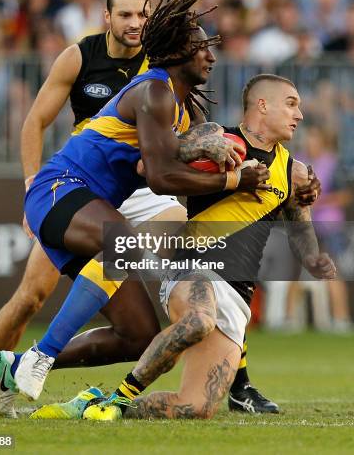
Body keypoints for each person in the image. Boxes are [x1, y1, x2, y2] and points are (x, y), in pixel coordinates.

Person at [0, 0, 271, 409]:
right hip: (60, 189)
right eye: (201, 48)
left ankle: (14, 365)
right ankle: (38, 358)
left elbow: (151, 166)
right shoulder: (154, 91)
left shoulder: (174, 108)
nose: (210, 57)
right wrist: (233, 177)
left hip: (91, 206)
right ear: (177, 51)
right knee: (119, 246)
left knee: (136, 335)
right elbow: (159, 177)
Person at [0, 0, 187, 416]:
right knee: (31, 296)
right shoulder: (80, 56)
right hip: (80, 185)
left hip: (138, 186)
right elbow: (34, 122)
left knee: (184, 240)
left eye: (143, 15)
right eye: (126, 15)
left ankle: (236, 372)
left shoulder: (161, 65)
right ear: (107, 17)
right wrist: (29, 188)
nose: (136, 23)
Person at [44, 73, 336, 421]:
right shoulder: (215, 135)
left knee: (195, 407)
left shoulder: (296, 173)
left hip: (237, 298)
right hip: (193, 271)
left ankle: (94, 402)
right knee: (198, 319)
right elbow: (158, 161)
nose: (299, 114)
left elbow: (300, 233)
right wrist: (197, 150)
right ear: (262, 105)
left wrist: (314, 258)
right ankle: (118, 400)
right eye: (291, 104)